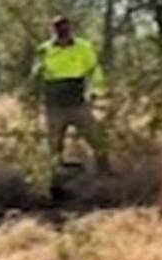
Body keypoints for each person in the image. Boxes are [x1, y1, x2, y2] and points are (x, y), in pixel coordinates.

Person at [33, 16, 113, 175]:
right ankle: (54, 180)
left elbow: (94, 70)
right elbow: (35, 75)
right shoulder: (44, 50)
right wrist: (37, 73)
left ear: (70, 29)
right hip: (54, 106)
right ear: (52, 30)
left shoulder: (83, 47)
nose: (62, 32)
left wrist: (97, 92)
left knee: (97, 140)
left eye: (65, 28)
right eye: (58, 29)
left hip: (77, 103)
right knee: (54, 146)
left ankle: (106, 174)